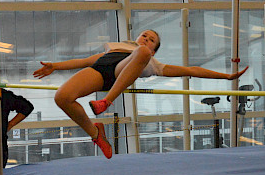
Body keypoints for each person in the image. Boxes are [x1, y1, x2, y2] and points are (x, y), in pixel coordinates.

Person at [33, 29, 247, 159]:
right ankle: (96, 133)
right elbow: (84, 61)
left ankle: (107, 102)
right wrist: (55, 66)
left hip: (120, 73)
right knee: (62, 98)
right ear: (136, 36)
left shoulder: (153, 62)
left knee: (140, 53)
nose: (146, 38)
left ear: (154, 50)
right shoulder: (116, 47)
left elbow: (191, 70)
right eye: (144, 35)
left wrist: (226, 77)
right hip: (99, 71)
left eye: (151, 39)